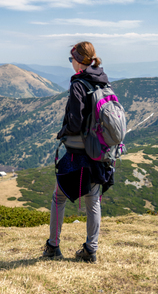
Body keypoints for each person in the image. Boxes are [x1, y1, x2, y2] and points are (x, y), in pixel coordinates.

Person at [42, 41, 114, 263]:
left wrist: (62, 132)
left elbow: (75, 122)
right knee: (93, 201)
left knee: (58, 198)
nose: (70, 62)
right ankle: (90, 250)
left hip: (77, 153)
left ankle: (53, 247)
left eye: (71, 58)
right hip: (99, 152)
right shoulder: (103, 81)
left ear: (78, 60)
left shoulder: (78, 85)